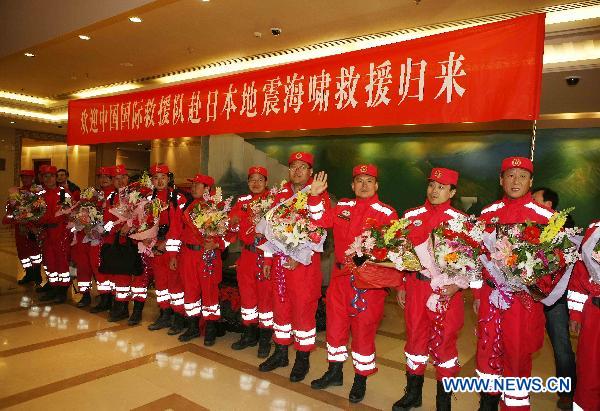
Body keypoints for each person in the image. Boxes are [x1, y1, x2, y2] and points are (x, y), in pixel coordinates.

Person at [473, 157, 559, 411]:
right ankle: (487, 403)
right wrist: (478, 294)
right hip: (491, 296)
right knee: (487, 349)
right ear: (501, 180)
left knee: (517, 353)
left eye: (522, 176)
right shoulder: (488, 213)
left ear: (531, 181)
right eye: (510, 175)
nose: (515, 181)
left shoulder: (546, 217)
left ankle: (516, 406)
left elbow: (557, 261)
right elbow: (478, 257)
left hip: (523, 300)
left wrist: (533, 283)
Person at [309, 164, 398, 403]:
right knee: (335, 329)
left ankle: (360, 380)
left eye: (369, 181)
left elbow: (394, 252)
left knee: (363, 333)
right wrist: (315, 196)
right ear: (352, 185)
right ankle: (334, 372)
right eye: (359, 180)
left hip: (369, 286)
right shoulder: (343, 207)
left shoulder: (386, 213)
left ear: (377, 185)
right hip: (340, 281)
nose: (364, 185)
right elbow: (319, 220)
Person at [392, 168, 466, 411]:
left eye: (442, 187)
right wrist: (402, 284)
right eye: (432, 185)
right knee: (415, 340)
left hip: (446, 293)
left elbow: (471, 262)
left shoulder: (460, 221)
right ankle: (413, 393)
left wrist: (457, 285)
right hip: (416, 288)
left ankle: (443, 401)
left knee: (445, 343)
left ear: (452, 192)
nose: (435, 191)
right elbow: (402, 252)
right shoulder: (411, 215)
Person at [258, 151, 331, 383]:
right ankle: (280, 353)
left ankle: (302, 359)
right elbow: (270, 230)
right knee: (280, 308)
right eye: (293, 167)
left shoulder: (318, 195)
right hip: (280, 263)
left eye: (302, 167)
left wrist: (299, 256)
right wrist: (268, 259)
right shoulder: (281, 194)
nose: (297, 171)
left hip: (305, 266)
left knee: (303, 313)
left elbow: (321, 230)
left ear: (310, 172)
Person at [167, 174, 227, 346]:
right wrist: (172, 255)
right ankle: (192, 326)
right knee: (190, 291)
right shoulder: (185, 207)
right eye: (192, 185)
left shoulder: (218, 208)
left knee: (209, 292)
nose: (193, 188)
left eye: (198, 185)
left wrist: (217, 244)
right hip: (187, 255)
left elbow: (230, 234)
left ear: (207, 189)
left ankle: (210, 329)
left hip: (207, 256)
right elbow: (175, 233)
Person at [531, 187, 577, 410]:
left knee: (561, 346)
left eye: (535, 200)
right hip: (528, 296)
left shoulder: (564, 226)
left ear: (548, 205)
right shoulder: (528, 224)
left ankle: (567, 393)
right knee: (521, 341)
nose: (530, 203)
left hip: (555, 298)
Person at [229, 166, 274, 358]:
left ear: (266, 182)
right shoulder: (243, 201)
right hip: (247, 256)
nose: (255, 183)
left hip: (266, 255)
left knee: (265, 299)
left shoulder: (273, 202)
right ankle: (249, 334)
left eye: (259, 180)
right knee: (247, 298)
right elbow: (232, 222)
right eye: (252, 180)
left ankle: (265, 339)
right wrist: (233, 221)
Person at [145, 164, 187, 330]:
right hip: (155, 247)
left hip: (173, 248)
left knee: (175, 284)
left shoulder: (178, 198)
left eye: (163, 177)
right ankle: (164, 313)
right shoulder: (148, 199)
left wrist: (166, 244)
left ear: (169, 178)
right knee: (160, 284)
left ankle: (178, 317)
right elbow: (144, 221)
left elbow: (181, 226)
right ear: (152, 180)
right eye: (156, 177)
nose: (160, 181)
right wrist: (146, 238)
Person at [567, 220, 600, 411]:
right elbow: (580, 273)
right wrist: (576, 313)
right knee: (589, 374)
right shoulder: (594, 231)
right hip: (595, 315)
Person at [72, 167, 116, 308]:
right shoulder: (92, 194)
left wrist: (102, 231)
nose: (103, 179)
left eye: (107, 177)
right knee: (83, 267)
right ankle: (85, 295)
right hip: (85, 236)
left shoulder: (115, 196)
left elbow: (115, 220)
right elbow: (80, 211)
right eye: (101, 176)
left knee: (99, 268)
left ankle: (106, 298)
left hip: (101, 239)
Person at [37, 165, 72, 303]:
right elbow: (33, 213)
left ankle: (62, 291)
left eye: (51, 176)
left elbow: (70, 214)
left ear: (55, 178)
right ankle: (53, 287)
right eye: (46, 176)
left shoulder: (64, 193)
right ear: (42, 178)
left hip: (60, 232)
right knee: (49, 262)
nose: (49, 179)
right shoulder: (39, 195)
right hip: (46, 233)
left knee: (62, 263)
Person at [2, 170, 43, 287]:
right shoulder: (16, 192)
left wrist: (33, 221)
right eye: (23, 177)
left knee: (35, 252)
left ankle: (37, 275)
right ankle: (28, 274)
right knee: (22, 252)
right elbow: (10, 208)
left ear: (32, 178)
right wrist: (12, 214)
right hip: (20, 227)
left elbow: (41, 208)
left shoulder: (38, 191)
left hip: (33, 227)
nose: (25, 179)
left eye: (27, 177)